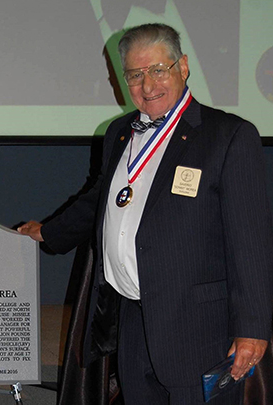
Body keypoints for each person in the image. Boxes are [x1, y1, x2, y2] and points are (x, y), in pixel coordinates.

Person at [18, 23, 273, 405]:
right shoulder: (121, 132)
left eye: (158, 70)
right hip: (133, 318)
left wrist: (253, 329)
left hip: (199, 327)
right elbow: (102, 198)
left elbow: (251, 242)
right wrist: (48, 232)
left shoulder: (228, 136)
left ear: (183, 67)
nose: (147, 85)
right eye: (135, 75)